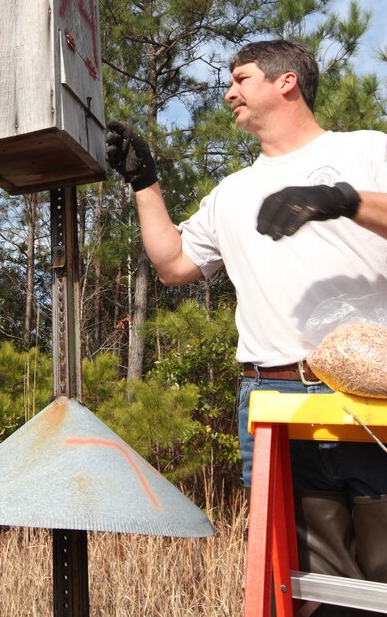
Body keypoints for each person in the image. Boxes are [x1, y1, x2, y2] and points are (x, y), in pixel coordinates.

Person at [105, 39, 387, 614]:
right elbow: (174, 264)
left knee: (382, 572)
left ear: (286, 82)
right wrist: (144, 184)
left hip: (372, 392)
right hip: (274, 396)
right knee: (307, 588)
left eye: (241, 78)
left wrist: (343, 199)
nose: (229, 92)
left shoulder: (365, 151)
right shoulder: (232, 192)